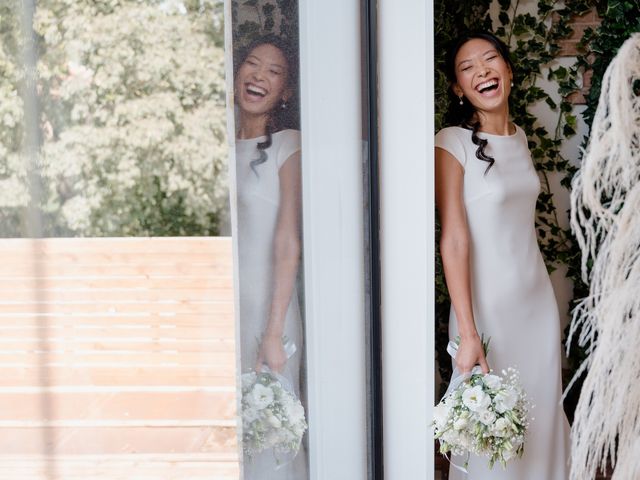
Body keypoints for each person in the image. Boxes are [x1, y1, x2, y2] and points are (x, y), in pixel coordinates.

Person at [434, 31, 570, 479]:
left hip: (536, 307)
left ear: (508, 70)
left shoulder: (522, 138)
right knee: (488, 436)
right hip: (485, 315)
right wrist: (468, 331)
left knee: (541, 424)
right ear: (458, 88)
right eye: (467, 67)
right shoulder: (449, 142)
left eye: (490, 59)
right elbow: (453, 239)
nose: (482, 71)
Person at [233, 35, 307, 479]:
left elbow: (287, 240)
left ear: (285, 92)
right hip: (223, 313)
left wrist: (274, 330)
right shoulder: (216, 144)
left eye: (273, 72)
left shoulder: (288, 145)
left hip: (269, 313)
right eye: (252, 64)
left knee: (271, 433)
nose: (258, 75)